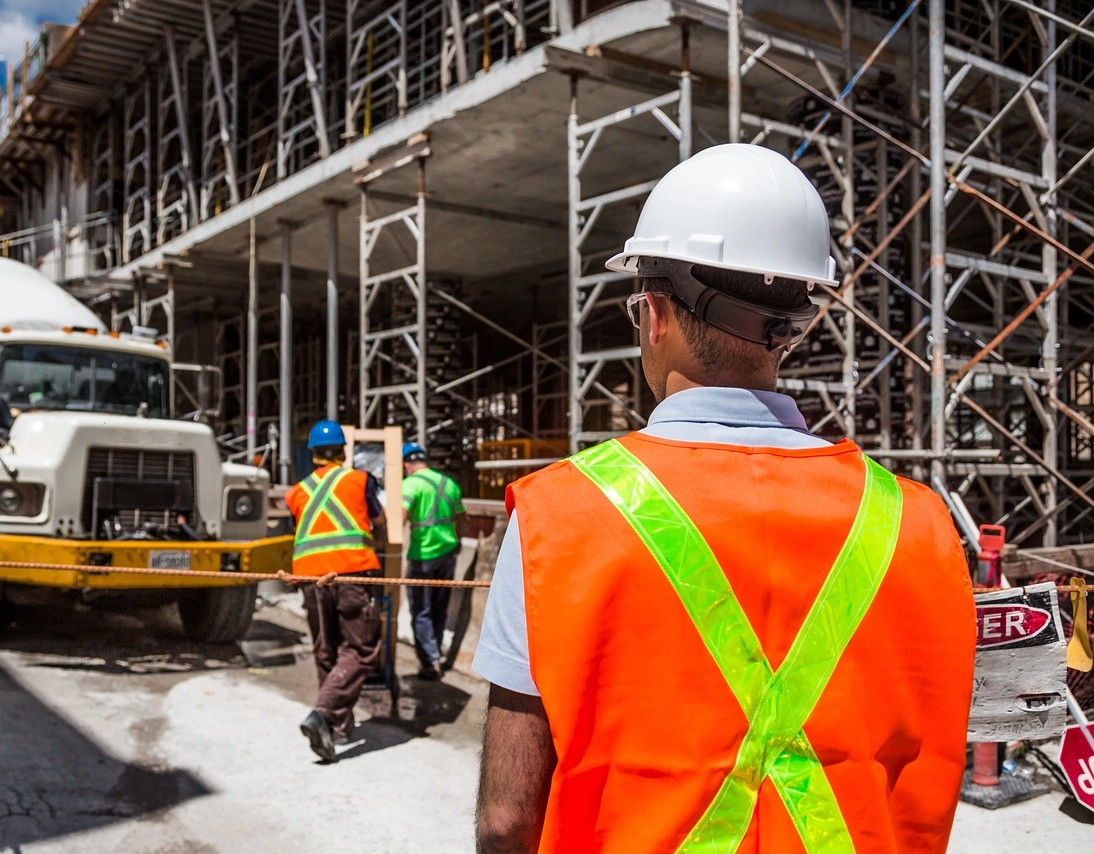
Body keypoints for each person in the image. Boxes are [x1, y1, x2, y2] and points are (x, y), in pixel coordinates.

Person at [473, 145, 976, 852]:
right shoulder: (918, 522)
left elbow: (506, 819)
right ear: (790, 326)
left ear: (652, 314)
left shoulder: (559, 517)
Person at [285, 419, 385, 761]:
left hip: (310, 579)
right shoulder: (359, 480)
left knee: (326, 649)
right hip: (349, 573)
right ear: (344, 451)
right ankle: (324, 714)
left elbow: (300, 531)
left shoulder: (296, 492)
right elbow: (380, 521)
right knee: (362, 648)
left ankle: (337, 726)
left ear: (312, 454)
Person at [401, 441, 466, 681]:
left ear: (407, 464)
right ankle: (435, 653)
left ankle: (429, 663)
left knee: (421, 610)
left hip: (422, 556)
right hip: (447, 555)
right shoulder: (449, 483)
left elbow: (401, 517)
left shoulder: (410, 484)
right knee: (439, 608)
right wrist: (456, 541)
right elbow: (462, 518)